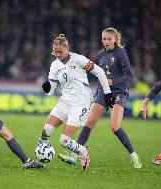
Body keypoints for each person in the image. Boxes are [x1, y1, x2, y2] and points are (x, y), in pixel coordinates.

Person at [58, 28, 142, 169]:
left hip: (118, 92)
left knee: (115, 127)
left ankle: (134, 155)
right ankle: (73, 156)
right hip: (103, 93)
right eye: (104, 39)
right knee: (88, 122)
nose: (106, 42)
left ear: (115, 39)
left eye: (109, 39)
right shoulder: (100, 55)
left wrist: (112, 82)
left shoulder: (121, 53)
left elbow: (129, 76)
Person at [38, 34, 115, 170]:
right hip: (65, 100)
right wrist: (47, 88)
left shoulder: (78, 59)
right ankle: (39, 157)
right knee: (46, 130)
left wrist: (108, 93)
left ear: (67, 48)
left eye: (60, 52)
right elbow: (51, 90)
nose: (57, 54)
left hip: (81, 102)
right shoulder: (54, 65)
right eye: (55, 52)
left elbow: (100, 72)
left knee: (64, 140)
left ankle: (83, 151)